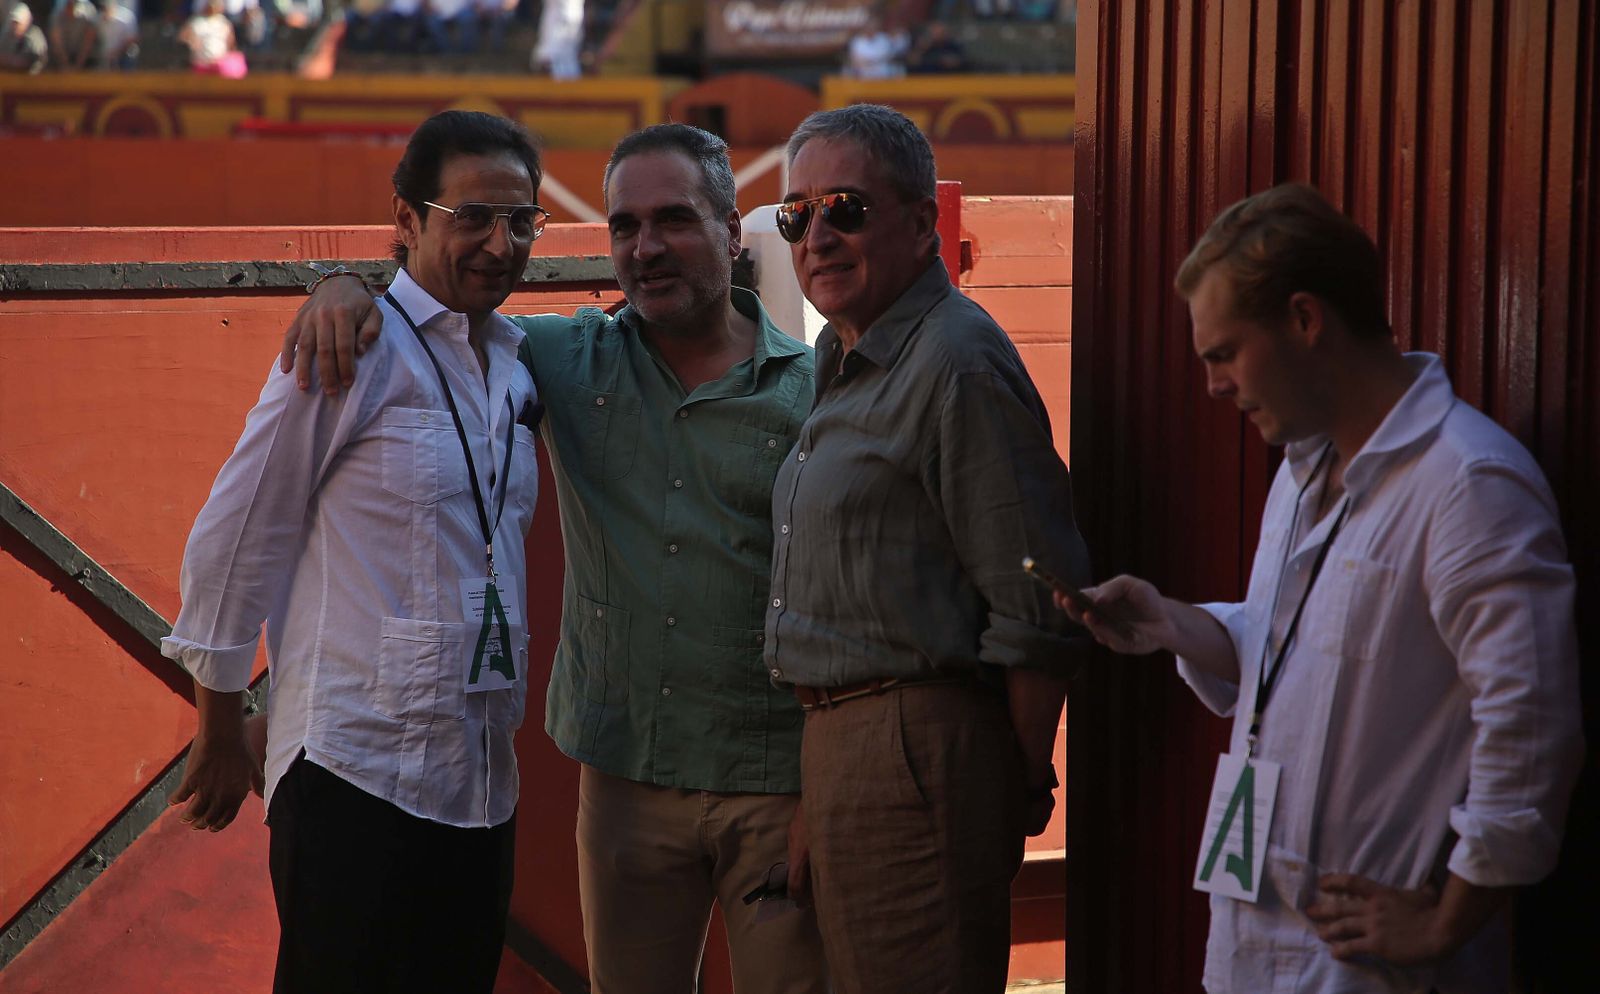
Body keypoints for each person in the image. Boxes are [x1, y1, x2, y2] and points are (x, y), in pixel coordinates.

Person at [279, 123, 828, 994]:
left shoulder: (814, 387)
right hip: (626, 784)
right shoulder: (557, 356)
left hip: (776, 783)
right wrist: (344, 284)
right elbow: (436, 313)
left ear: (731, 230)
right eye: (624, 227)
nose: (646, 249)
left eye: (676, 221)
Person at [1058, 183, 1585, 992]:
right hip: (1256, 948)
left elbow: (1533, 723)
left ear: (1306, 320)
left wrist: (1450, 915)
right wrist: (1171, 622)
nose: (1214, 386)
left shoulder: (1467, 483)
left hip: (1368, 974)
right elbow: (1293, 649)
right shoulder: (1306, 475)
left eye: (1225, 353)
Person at [162, 110, 548, 994]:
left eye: (522, 221)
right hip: (356, 776)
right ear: (408, 222)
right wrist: (221, 727)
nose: (501, 242)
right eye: (473, 218)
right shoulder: (353, 344)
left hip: (483, 780)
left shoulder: (522, 365)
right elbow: (239, 529)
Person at [766, 103, 1086, 994]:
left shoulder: (955, 362)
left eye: (847, 209)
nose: (817, 235)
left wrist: (1012, 781)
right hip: (855, 750)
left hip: (920, 753)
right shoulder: (851, 352)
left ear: (919, 223)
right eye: (798, 215)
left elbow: (1039, 599)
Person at [178, 0, 243, 74]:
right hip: (200, 62)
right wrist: (192, 41)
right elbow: (182, 36)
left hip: (219, 63)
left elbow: (231, 42)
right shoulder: (195, 21)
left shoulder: (224, 22)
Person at [0, 2, 47, 73]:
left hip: (33, 78)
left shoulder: (35, 36)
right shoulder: (6, 34)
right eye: (14, 22)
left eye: (19, 23)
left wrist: (17, 61)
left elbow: (40, 59)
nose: (15, 26)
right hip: (8, 77)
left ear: (27, 22)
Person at [48, 0, 96, 68]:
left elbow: (89, 41)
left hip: (83, 55)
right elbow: (57, 43)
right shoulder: (57, 12)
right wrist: (65, 63)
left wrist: (79, 63)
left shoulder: (88, 10)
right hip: (62, 55)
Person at [95, 0, 139, 69]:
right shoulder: (98, 20)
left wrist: (117, 52)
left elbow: (132, 39)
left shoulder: (126, 17)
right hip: (103, 57)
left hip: (123, 56)